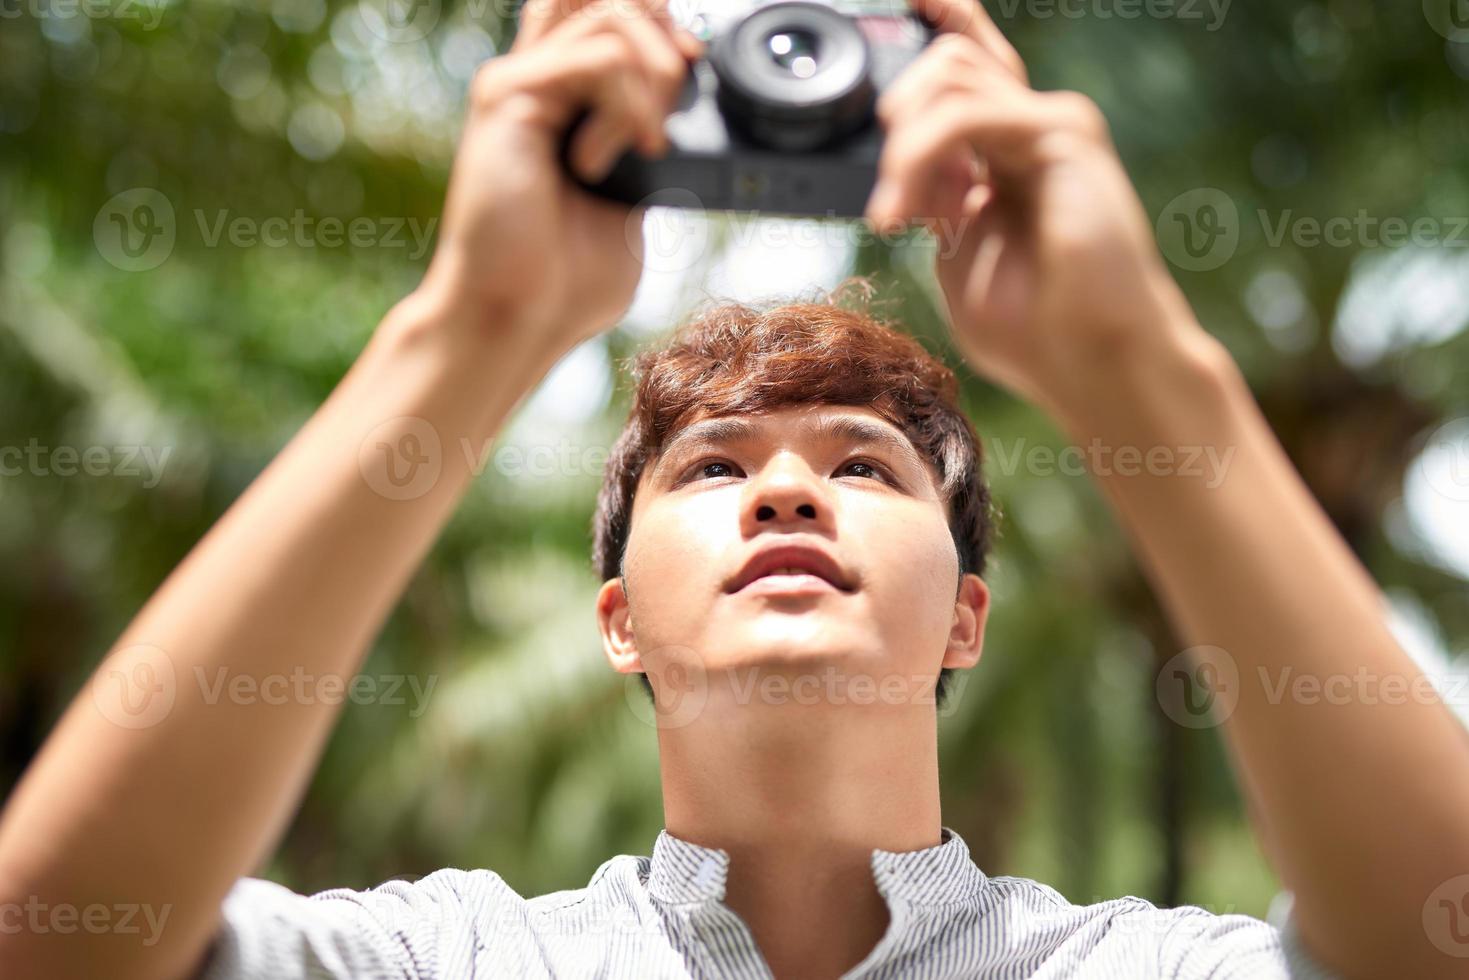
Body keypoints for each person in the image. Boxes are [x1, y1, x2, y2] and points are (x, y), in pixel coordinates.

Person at [1, 0, 1466, 976]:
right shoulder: (454, 957)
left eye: (862, 467)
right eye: (711, 467)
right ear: (615, 618)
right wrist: (472, 326)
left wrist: (1136, 364)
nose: (784, 493)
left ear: (965, 619)